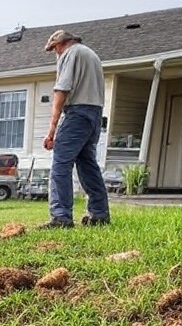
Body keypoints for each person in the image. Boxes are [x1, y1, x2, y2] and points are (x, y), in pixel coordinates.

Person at [40, 30, 110, 228]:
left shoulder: (71, 54)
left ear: (63, 43)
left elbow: (62, 90)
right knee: (88, 164)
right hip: (95, 114)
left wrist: (52, 128)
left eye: (55, 48)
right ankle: (99, 213)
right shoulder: (91, 54)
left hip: (77, 113)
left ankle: (61, 216)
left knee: (61, 163)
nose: (56, 53)